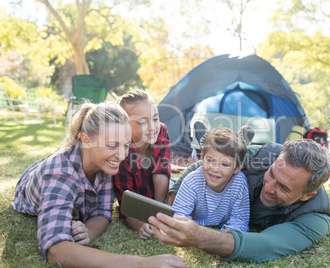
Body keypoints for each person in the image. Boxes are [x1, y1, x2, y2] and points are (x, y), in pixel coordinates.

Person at [13, 102, 185, 267]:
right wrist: (140, 264)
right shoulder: (59, 173)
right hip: (32, 178)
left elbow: (103, 212)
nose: (121, 155)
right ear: (86, 140)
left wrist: (88, 232)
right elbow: (56, 250)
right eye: (112, 145)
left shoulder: (105, 164)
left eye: (126, 146)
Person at [150, 139, 330, 263]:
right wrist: (170, 203)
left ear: (307, 195)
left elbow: (267, 244)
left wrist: (199, 236)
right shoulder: (258, 157)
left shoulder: (314, 217)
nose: (268, 188)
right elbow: (199, 167)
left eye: (283, 188)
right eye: (271, 174)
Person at [114, 90, 171, 239]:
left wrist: (159, 213)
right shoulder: (122, 151)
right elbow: (127, 204)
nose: (152, 127)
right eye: (142, 122)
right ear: (124, 125)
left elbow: (162, 173)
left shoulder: (161, 131)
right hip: (134, 199)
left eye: (155, 119)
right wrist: (142, 225)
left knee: (179, 188)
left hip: (159, 194)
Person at [172, 127, 249, 232]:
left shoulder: (239, 182)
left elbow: (240, 219)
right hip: (196, 224)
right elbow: (179, 216)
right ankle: (195, 150)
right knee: (171, 186)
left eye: (225, 164)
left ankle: (243, 139)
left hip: (219, 226)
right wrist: (195, 230)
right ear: (202, 157)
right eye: (210, 160)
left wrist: (229, 232)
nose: (215, 169)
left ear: (237, 168)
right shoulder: (192, 181)